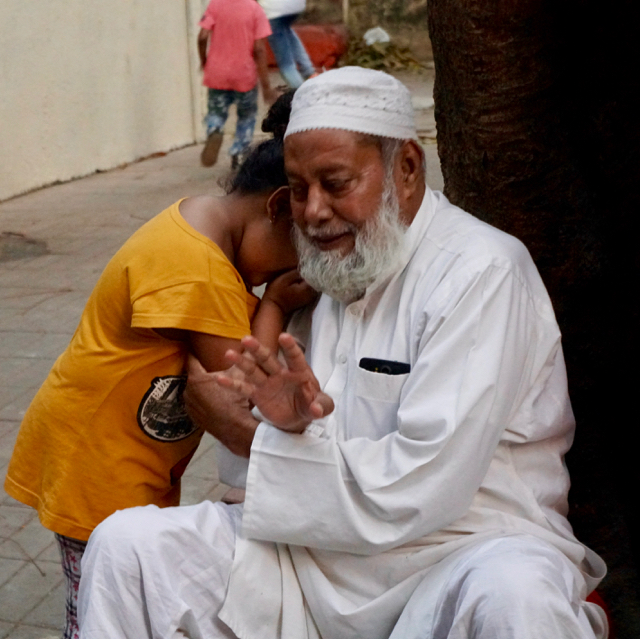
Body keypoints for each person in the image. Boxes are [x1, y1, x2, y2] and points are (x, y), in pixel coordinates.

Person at [77, 67, 608, 639]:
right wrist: (276, 423)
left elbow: (424, 486)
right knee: (128, 546)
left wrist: (256, 438)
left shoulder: (481, 271)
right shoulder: (322, 273)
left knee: (518, 596)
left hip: (462, 550)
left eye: (335, 183)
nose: (312, 212)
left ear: (406, 168)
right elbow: (249, 476)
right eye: (299, 188)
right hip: (310, 554)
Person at [4, 106, 314, 639]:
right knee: (97, 605)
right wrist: (277, 304)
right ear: (279, 206)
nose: (288, 272)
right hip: (100, 464)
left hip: (112, 452)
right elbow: (243, 388)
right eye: (297, 253)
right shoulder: (197, 268)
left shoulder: (197, 220)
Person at [198, 0, 277, 169]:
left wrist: (204, 61)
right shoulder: (255, 10)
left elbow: (202, 36)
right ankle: (239, 152)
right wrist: (266, 86)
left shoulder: (216, 5)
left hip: (217, 73)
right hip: (244, 75)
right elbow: (259, 49)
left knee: (216, 111)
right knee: (246, 116)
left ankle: (214, 129)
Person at [259, 0, 317, 89]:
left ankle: (302, 92)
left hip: (274, 10)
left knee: (286, 65)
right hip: (296, 6)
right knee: (286, 30)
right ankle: (309, 71)